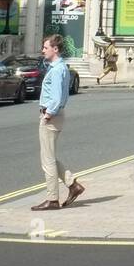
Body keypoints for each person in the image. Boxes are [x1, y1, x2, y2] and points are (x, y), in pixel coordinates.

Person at [31, 35, 83, 211]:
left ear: (55, 49)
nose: (43, 50)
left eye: (46, 47)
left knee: (47, 161)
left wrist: (48, 115)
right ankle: (73, 185)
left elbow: (56, 97)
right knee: (50, 157)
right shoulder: (61, 68)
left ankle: (52, 199)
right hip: (56, 115)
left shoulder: (56, 70)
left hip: (51, 116)